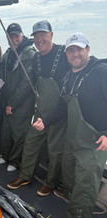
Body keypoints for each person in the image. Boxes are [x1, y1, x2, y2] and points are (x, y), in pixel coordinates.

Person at [33, 32, 107, 218]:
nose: (75, 54)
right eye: (71, 50)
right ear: (66, 54)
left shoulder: (101, 72)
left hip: (95, 141)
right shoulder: (67, 78)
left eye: (79, 49)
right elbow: (61, 109)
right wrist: (45, 121)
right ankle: (70, 195)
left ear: (88, 50)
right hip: (74, 137)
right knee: (67, 168)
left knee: (85, 181)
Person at [7, 20, 70, 196]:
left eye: (43, 34)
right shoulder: (35, 58)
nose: (39, 39)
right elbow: (28, 84)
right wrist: (13, 102)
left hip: (59, 113)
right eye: (36, 36)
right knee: (31, 142)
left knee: (55, 150)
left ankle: (50, 183)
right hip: (41, 110)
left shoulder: (64, 53)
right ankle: (25, 175)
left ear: (51, 35)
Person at [0, 23, 36, 172]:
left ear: (22, 36)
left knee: (19, 134)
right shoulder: (8, 54)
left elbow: (26, 83)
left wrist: (12, 103)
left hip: (23, 104)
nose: (13, 39)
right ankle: (5, 155)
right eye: (10, 36)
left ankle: (15, 161)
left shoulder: (30, 54)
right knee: (6, 131)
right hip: (8, 102)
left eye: (16, 36)